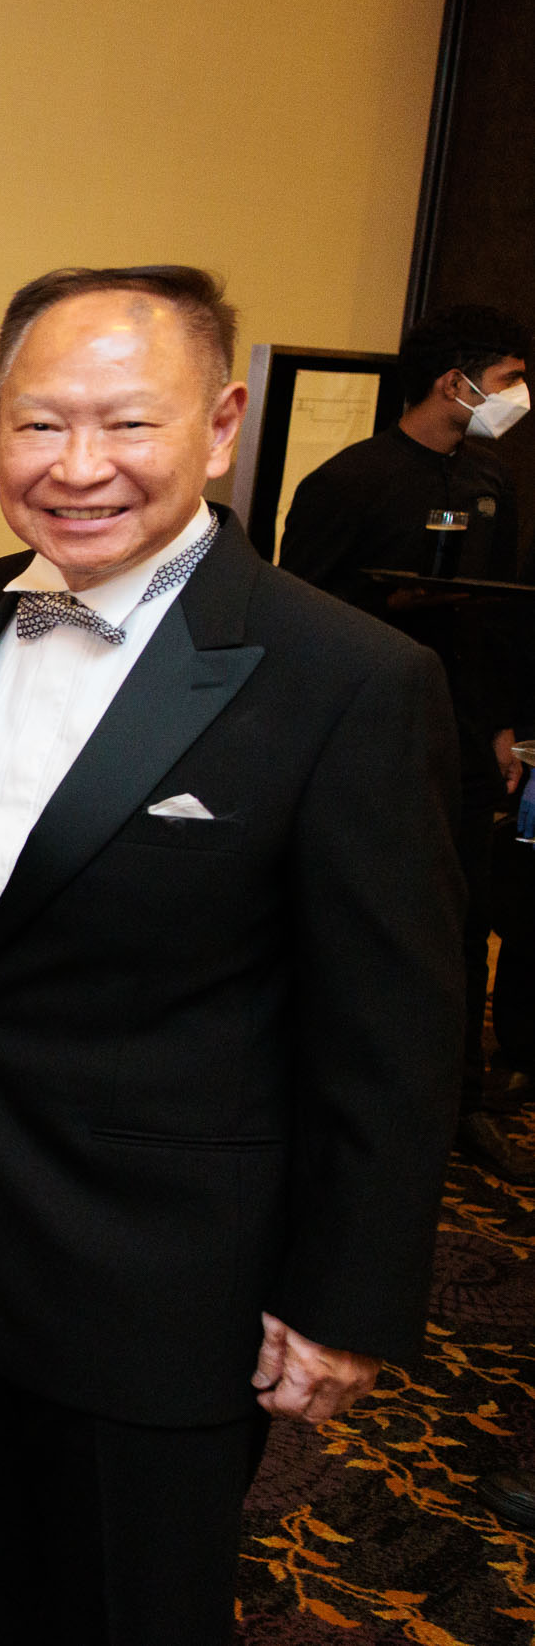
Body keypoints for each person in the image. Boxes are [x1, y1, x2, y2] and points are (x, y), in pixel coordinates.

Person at [0, 265, 464, 1643]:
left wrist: (343, 1295)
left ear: (220, 424)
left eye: (126, 422)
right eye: (39, 423)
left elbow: (394, 1030)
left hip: (157, 1282)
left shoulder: (348, 677)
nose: (77, 466)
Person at [278, 303, 535, 1180]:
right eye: (508, 381)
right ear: (453, 381)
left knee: (462, 919)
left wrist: (504, 728)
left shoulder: (492, 480)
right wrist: (389, 607)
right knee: (348, 917)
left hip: (460, 732)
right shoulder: (349, 481)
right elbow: (298, 612)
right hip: (357, 733)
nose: (518, 397)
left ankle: (459, 1104)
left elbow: (501, 619)